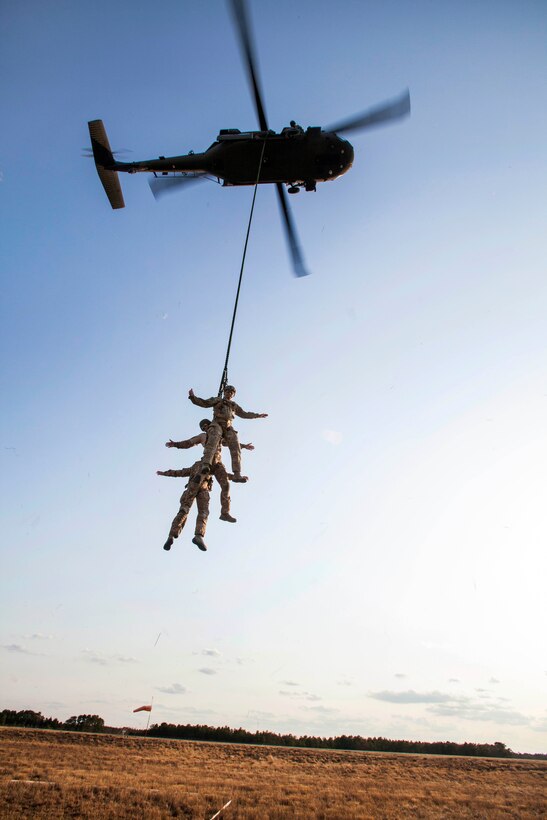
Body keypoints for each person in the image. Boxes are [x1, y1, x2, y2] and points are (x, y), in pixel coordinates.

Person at [161, 419, 255, 524]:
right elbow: (189, 443)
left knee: (226, 485)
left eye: (206, 426)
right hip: (207, 462)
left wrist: (244, 446)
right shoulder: (202, 437)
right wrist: (175, 444)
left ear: (210, 425)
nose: (205, 429)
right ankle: (186, 508)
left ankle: (225, 513)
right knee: (198, 482)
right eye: (203, 428)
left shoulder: (218, 435)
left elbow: (230, 443)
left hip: (218, 463)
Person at [188, 385, 267, 481]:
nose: (229, 393)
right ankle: (206, 464)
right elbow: (204, 403)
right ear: (224, 392)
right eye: (227, 391)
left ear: (233, 395)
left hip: (228, 427)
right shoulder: (217, 400)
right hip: (217, 424)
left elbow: (244, 414)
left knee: (235, 446)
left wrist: (258, 416)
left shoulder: (234, 405)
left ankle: (237, 474)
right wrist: (193, 397)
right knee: (213, 441)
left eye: (231, 392)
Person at [159, 459, 211, 552]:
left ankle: (171, 536)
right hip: (203, 488)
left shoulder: (196, 465)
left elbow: (180, 472)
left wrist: (165, 473)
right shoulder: (211, 465)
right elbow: (223, 475)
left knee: (184, 511)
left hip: (192, 487)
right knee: (203, 512)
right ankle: (198, 536)